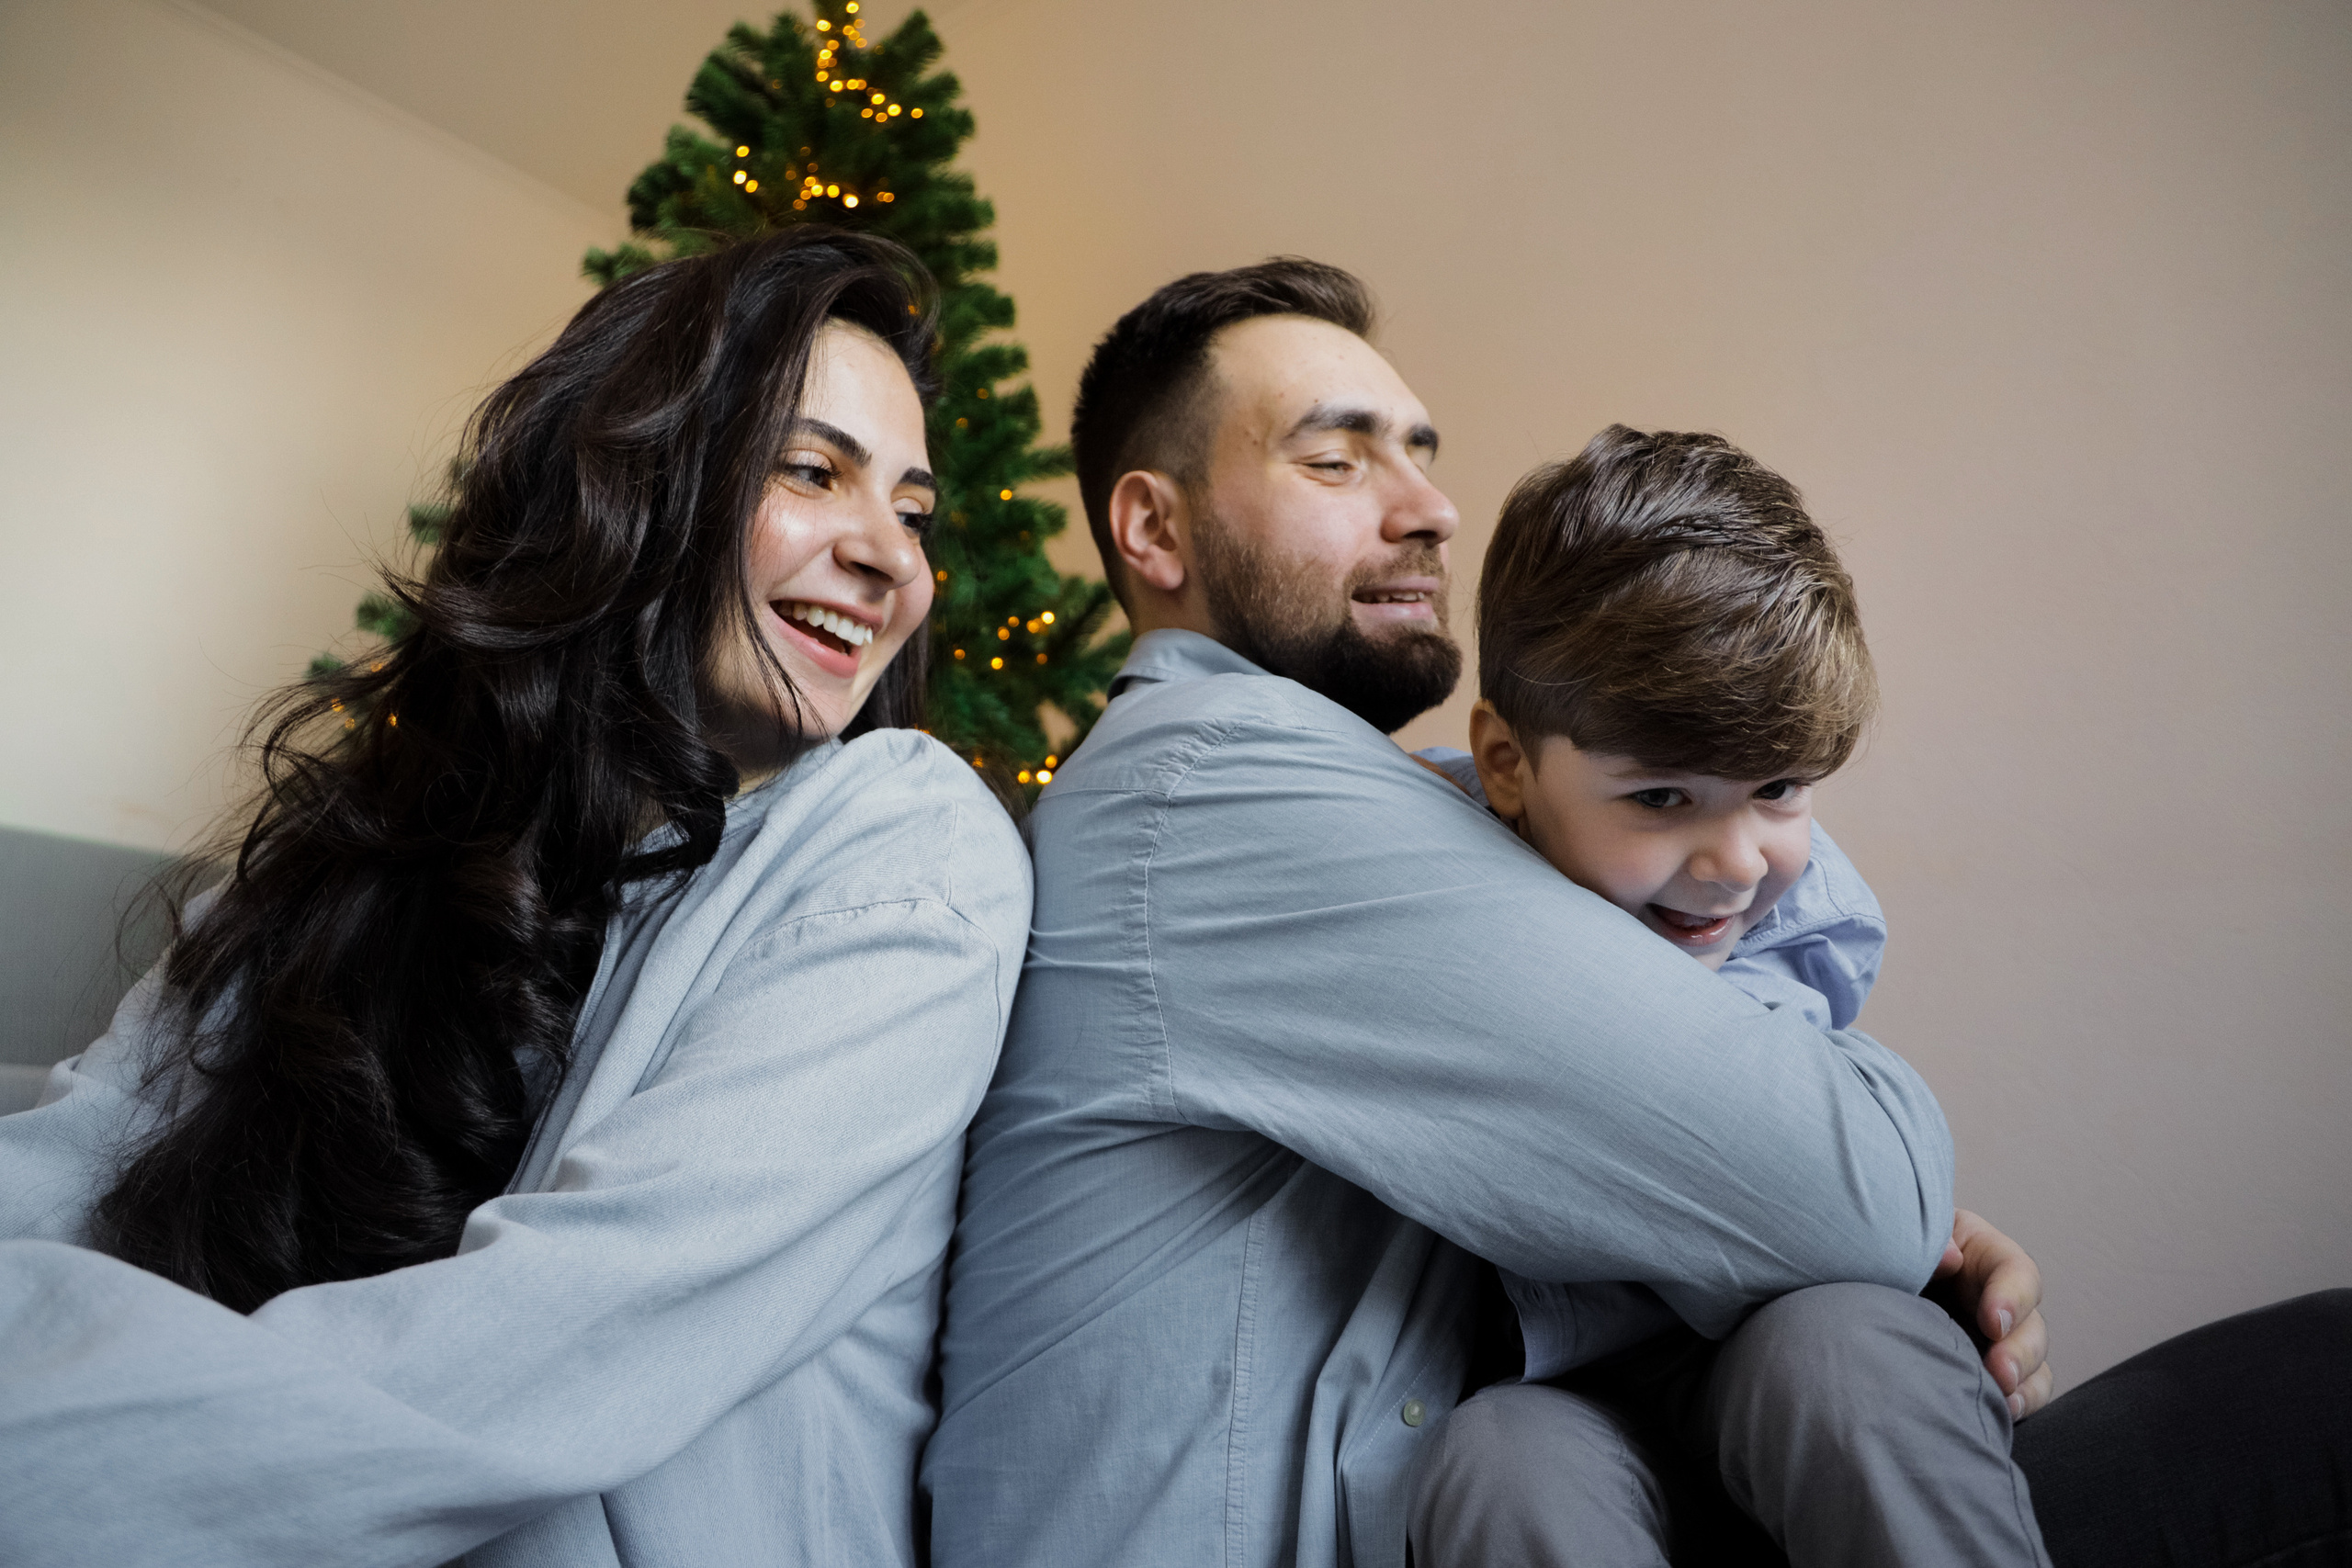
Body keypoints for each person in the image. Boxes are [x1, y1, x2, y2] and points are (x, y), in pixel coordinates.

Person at [921, 257, 2352, 1568]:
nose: (1426, 506)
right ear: (1152, 526)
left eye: (1423, 452)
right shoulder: (1222, 787)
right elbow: (1848, 1184)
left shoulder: (1403, 802)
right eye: (1336, 454)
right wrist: (1900, 1198)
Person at [0, 228, 1032, 1567]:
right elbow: (73, 1165)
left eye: (914, 510)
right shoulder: (350, 856)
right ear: (642, 477)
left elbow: (546, 1343)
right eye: (814, 469)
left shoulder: (904, 835)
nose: (894, 558)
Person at [1406, 428, 2045, 1565]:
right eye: (1660, 797)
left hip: (1771, 1341)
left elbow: (1804, 1151)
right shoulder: (1435, 883)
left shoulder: (1797, 927)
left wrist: (1932, 1241)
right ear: (1505, 765)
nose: (1737, 861)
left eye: (1780, 790)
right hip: (1549, 1380)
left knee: (1849, 1353)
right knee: (1496, 1460)